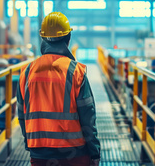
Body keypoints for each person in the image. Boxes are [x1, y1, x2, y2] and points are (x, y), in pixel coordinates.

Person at [17, 12, 101, 166]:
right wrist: (94, 151)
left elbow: (22, 115)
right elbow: (88, 117)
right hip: (74, 153)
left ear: (43, 39)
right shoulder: (75, 72)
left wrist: (29, 144)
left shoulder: (27, 72)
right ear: (68, 39)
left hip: (40, 154)